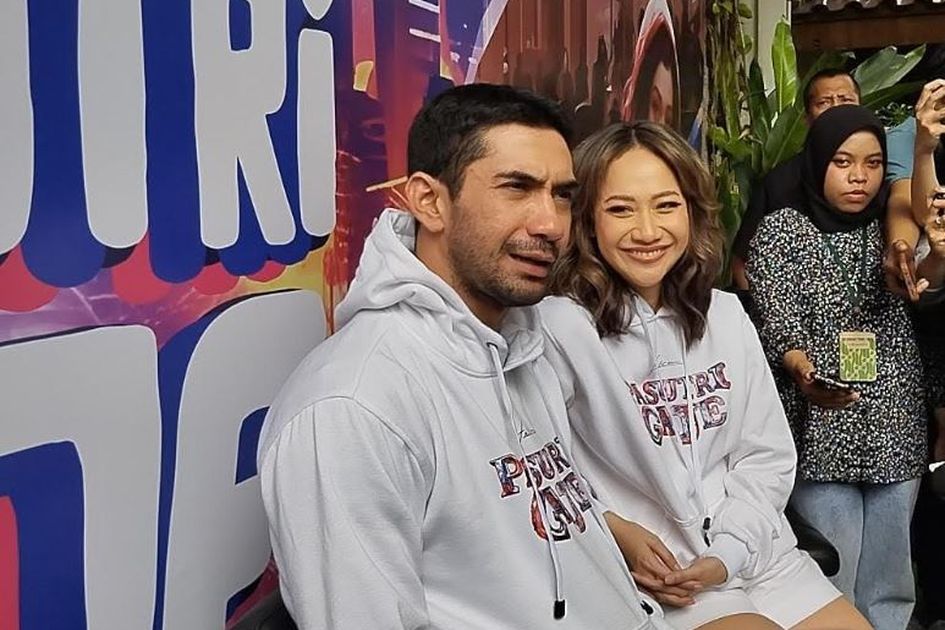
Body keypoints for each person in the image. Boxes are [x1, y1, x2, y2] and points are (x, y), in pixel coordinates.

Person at [255, 83, 672, 629]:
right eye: (517, 187)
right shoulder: (351, 408)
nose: (551, 224)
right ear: (429, 201)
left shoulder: (522, 340)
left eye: (562, 195)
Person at [539, 121, 869, 630]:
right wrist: (616, 529)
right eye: (621, 209)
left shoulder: (724, 315)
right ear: (586, 219)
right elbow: (547, 471)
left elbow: (765, 456)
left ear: (692, 211)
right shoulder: (559, 327)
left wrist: (730, 552)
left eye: (666, 205)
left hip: (755, 553)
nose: (647, 231)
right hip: (659, 575)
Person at [747, 105, 926, 629]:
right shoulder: (780, 231)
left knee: (891, 578)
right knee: (829, 573)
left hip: (894, 423)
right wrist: (803, 371)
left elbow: (926, 283)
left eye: (873, 164)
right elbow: (776, 321)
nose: (859, 177)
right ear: (818, 160)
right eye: (843, 162)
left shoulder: (893, 230)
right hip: (821, 422)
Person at [731, 68, 862, 290]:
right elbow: (742, 260)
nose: (836, 109)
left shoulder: (880, 175)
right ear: (806, 118)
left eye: (845, 100)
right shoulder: (780, 182)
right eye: (825, 102)